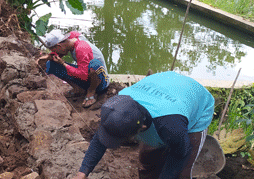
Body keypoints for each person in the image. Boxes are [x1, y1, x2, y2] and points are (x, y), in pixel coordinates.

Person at [72, 71, 215, 179]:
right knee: (148, 158)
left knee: (181, 172)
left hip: (194, 103)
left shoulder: (172, 126)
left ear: (142, 128)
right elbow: (99, 140)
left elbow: (180, 155)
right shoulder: (120, 102)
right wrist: (82, 173)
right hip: (164, 85)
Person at [38, 29, 109, 108]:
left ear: (59, 45)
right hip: (86, 74)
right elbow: (59, 53)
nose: (57, 54)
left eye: (55, 50)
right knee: (51, 64)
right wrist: (48, 57)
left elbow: (83, 75)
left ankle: (91, 92)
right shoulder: (71, 39)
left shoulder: (81, 48)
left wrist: (63, 64)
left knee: (94, 65)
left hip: (100, 81)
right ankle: (78, 89)